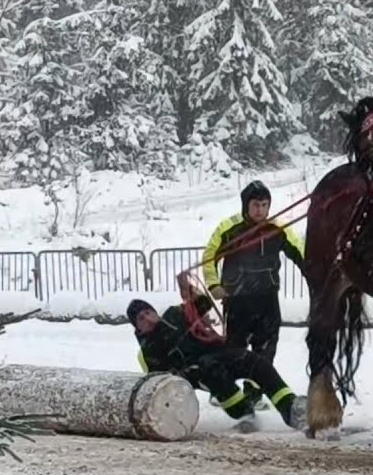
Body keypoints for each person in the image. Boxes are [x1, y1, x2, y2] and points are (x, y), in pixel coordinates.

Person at [127, 284, 307, 433]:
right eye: (141, 319)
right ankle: (245, 415)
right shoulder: (147, 352)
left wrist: (191, 291)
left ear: (154, 311)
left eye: (148, 313)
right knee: (209, 367)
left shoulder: (175, 313)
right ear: (138, 328)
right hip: (197, 374)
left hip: (219, 353)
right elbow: (160, 385)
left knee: (254, 361)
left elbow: (204, 304)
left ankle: (291, 408)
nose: (148, 319)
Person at [202, 180, 304, 365]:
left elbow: (300, 253)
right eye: (255, 205)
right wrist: (214, 285)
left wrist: (317, 275)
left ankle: (256, 387)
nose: (260, 210)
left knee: (266, 348)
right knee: (235, 349)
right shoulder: (229, 228)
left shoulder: (277, 228)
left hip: (267, 298)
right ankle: (231, 388)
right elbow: (209, 257)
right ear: (245, 205)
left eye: (264, 205)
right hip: (237, 298)